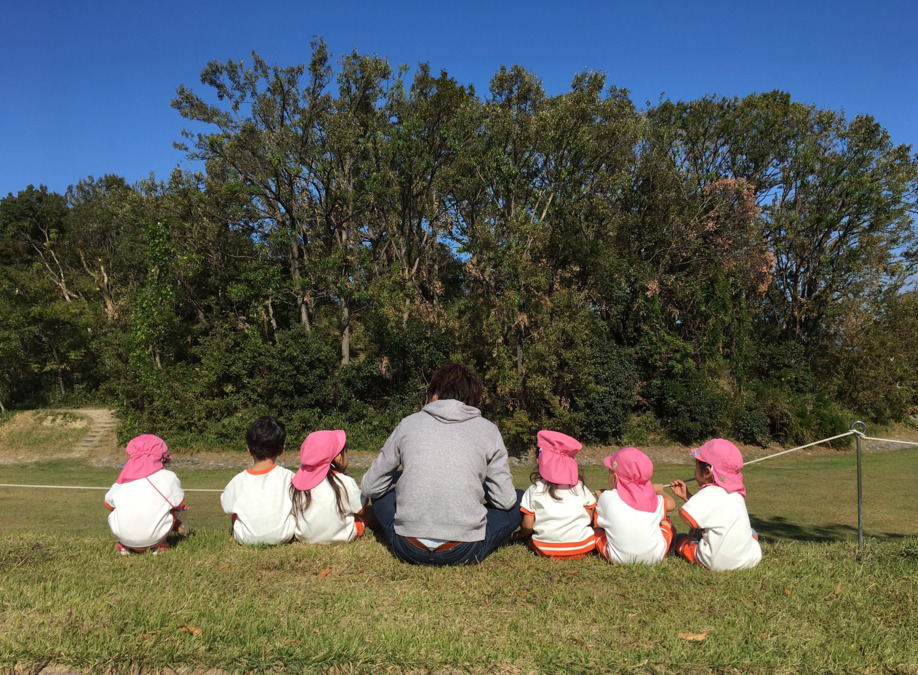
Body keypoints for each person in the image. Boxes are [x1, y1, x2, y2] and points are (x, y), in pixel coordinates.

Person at [360, 363, 522, 565]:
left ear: (437, 394)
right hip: (464, 550)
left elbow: (369, 486)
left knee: (382, 486)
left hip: (408, 547)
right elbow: (505, 501)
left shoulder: (408, 424)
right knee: (521, 498)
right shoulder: (488, 430)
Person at [669, 438, 762, 571]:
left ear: (707, 472)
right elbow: (713, 511)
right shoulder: (735, 494)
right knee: (752, 533)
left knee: (680, 538)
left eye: (696, 466)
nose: (695, 471)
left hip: (714, 561)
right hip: (747, 559)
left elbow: (687, 518)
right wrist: (687, 496)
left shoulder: (710, 492)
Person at [518, 430, 597, 559]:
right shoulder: (580, 487)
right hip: (583, 547)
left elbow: (528, 525)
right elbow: (589, 515)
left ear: (539, 462)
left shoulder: (534, 489)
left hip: (544, 549)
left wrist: (523, 533)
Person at [104, 434, 186, 555]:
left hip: (124, 537)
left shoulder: (122, 480)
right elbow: (180, 503)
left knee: (115, 509)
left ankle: (125, 545)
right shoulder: (168, 477)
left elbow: (108, 504)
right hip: (155, 537)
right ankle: (159, 545)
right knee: (173, 509)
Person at [220, 416, 295, 545]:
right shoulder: (290, 477)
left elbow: (226, 506)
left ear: (248, 449)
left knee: (235, 510)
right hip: (284, 536)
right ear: (282, 449)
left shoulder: (238, 481)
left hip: (246, 539)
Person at [594, 447, 676, 565]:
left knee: (596, 530)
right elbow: (672, 503)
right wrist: (658, 490)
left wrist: (601, 495)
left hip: (618, 558)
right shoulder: (655, 500)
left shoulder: (606, 497)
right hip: (655, 558)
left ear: (615, 478)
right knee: (666, 523)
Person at [290, 430, 370, 544]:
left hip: (304, 537)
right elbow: (361, 508)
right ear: (338, 457)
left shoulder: (297, 481)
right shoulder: (344, 482)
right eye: (346, 452)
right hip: (341, 536)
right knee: (370, 513)